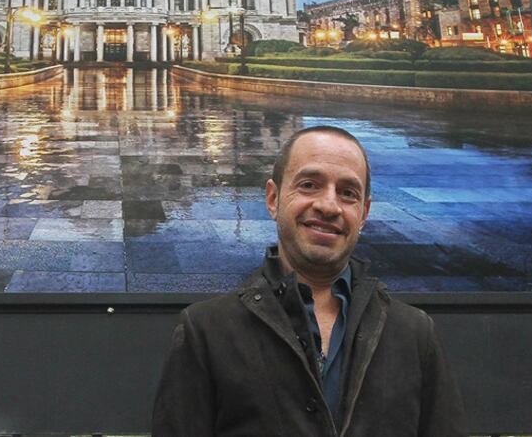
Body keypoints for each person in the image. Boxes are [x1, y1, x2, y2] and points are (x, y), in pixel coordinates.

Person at [152, 125, 467, 436]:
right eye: (309, 185)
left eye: (347, 193)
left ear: (364, 212)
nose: (329, 205)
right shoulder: (206, 332)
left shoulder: (414, 335)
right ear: (273, 199)